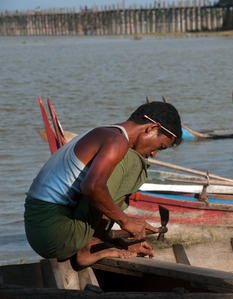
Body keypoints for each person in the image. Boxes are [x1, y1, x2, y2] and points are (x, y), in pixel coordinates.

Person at [24, 102, 182, 267]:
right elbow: (92, 187)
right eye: (160, 146)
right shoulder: (117, 142)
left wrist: (120, 239)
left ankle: (97, 240)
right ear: (153, 128)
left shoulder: (101, 132)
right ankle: (90, 245)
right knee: (135, 162)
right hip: (56, 233)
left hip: (38, 231)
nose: (153, 154)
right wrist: (126, 222)